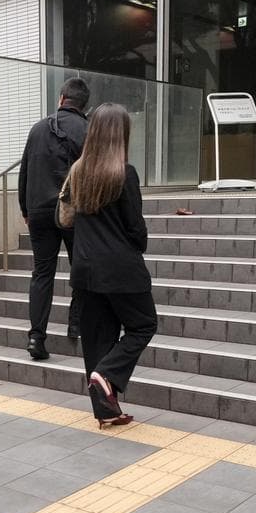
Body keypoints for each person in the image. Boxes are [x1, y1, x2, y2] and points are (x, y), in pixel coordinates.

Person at [67, 103, 157, 427]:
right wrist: (137, 245)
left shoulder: (78, 172)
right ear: (121, 136)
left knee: (98, 336)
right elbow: (135, 229)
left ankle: (105, 411)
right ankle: (106, 375)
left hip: (84, 267)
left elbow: (70, 221)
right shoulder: (124, 173)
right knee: (144, 324)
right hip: (119, 268)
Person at [17, 77, 89, 361]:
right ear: (85, 105)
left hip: (39, 212)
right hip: (74, 212)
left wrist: (25, 208)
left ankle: (36, 337)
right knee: (80, 267)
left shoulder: (37, 128)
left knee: (42, 273)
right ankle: (76, 323)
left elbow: (24, 171)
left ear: (61, 99)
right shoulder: (87, 130)